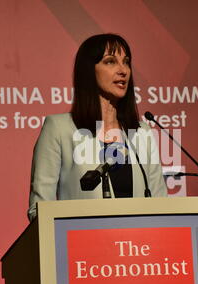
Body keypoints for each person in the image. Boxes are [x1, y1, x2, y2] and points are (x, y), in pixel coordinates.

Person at [28, 33, 167, 221]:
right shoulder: (60, 129)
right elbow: (39, 210)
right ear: (89, 71)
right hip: (79, 246)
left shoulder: (142, 132)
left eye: (126, 62)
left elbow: (160, 204)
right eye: (110, 62)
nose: (123, 70)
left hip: (136, 246)